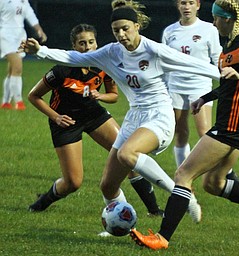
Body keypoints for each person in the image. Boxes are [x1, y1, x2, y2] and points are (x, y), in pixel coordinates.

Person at [19, 3, 222, 224]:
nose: (121, 34)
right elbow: (72, 58)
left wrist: (233, 76)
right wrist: (40, 51)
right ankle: (118, 225)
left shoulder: (154, 50)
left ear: (137, 26)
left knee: (127, 154)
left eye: (125, 28)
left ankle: (182, 194)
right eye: (116, 30)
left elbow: (194, 64)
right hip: (134, 117)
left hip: (159, 114)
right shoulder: (111, 52)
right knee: (107, 185)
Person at [130, 0, 239, 250]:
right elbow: (229, 84)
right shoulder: (231, 44)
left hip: (232, 123)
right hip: (237, 121)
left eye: (217, 19)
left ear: (228, 19)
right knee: (214, 183)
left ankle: (162, 238)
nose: (214, 23)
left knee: (183, 174)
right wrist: (206, 98)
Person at [27, 23, 164, 219]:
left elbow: (114, 95)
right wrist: (55, 116)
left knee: (128, 155)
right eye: (82, 43)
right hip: (66, 122)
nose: (88, 47)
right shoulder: (61, 70)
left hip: (94, 115)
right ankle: (43, 202)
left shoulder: (103, 64)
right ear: (74, 47)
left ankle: (154, 210)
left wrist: (100, 97)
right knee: (73, 182)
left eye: (91, 42)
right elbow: (33, 96)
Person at [162, 0, 238, 180]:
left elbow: (217, 57)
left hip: (200, 86)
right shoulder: (169, 31)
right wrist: (165, 87)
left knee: (205, 132)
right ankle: (184, 177)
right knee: (180, 133)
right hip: (176, 86)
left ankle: (227, 172)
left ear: (198, 5)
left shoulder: (208, 29)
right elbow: (164, 61)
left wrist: (225, 76)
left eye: (190, 2)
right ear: (177, 6)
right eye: (182, 3)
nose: (186, 7)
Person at [0, 0, 47, 110]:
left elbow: (30, 14)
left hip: (20, 35)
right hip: (6, 35)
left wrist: (39, 29)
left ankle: (5, 102)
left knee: (12, 69)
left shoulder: (23, 1)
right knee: (17, 67)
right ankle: (18, 102)